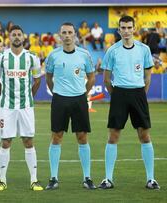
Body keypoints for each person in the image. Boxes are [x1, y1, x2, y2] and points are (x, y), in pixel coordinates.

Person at [99, 15, 160, 190]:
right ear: (118, 30)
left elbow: (148, 76)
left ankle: (151, 179)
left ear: (134, 29)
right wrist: (116, 95)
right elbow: (106, 79)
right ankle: (108, 179)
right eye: (122, 28)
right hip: (119, 93)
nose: (126, 31)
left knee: (144, 135)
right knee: (113, 135)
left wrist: (141, 94)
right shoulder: (112, 50)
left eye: (129, 27)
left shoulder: (144, 49)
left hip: (138, 93)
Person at [45, 22, 96, 190]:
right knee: (57, 136)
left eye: (70, 32)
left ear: (75, 35)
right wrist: (57, 93)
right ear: (60, 35)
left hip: (79, 100)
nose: (67, 35)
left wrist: (83, 93)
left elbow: (91, 77)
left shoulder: (84, 54)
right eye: (64, 32)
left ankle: (87, 177)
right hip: (60, 99)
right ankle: (53, 178)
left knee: (82, 137)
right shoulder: (53, 55)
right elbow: (49, 78)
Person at [0, 25, 43, 191]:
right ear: (9, 37)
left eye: (19, 34)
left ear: (23, 37)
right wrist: (6, 96)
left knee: (28, 140)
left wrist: (28, 98)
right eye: (13, 34)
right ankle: (2, 180)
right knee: (6, 141)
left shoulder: (32, 58)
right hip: (7, 107)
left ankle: (34, 180)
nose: (16, 37)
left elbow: (37, 80)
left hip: (26, 106)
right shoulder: (1, 58)